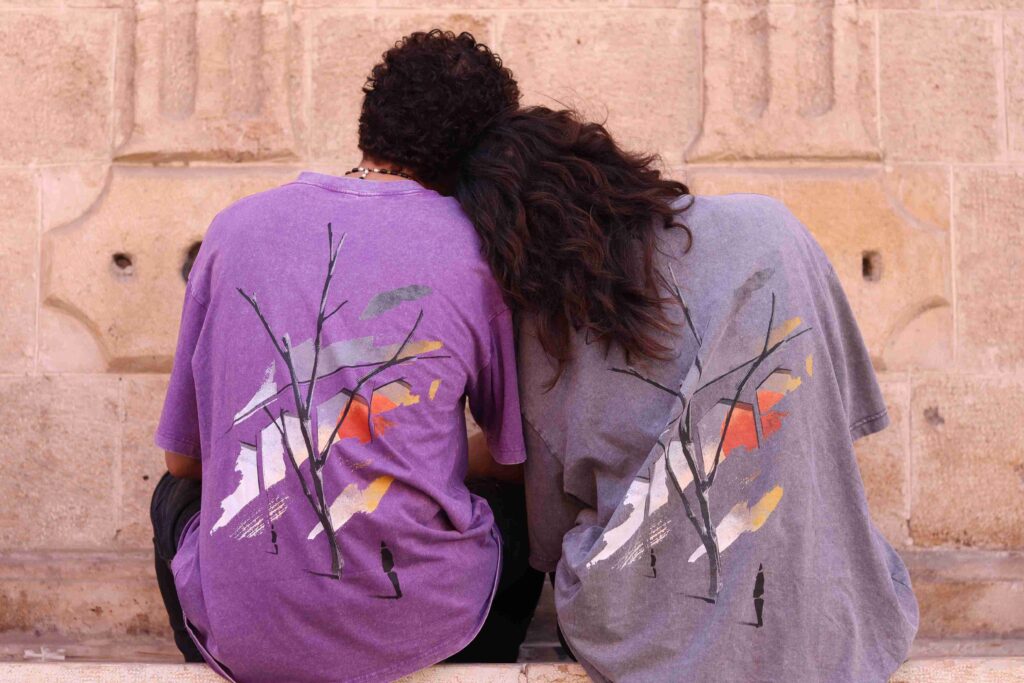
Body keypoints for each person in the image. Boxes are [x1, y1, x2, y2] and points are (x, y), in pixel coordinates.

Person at [451, 107, 920, 682]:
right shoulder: (773, 226)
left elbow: (547, 534)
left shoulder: (549, 335)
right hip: (828, 617)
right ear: (602, 159)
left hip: (646, 635)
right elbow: (837, 419)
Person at [150, 30, 543, 683]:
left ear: (372, 121)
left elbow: (184, 460)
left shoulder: (233, 229)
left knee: (173, 496)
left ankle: (226, 633)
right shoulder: (477, 253)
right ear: (482, 149)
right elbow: (511, 459)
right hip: (427, 631)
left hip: (247, 644)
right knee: (525, 510)